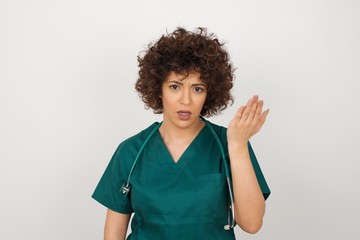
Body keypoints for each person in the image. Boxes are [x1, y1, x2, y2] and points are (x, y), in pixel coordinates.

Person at [92, 27, 271, 240]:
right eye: (175, 86)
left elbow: (251, 224)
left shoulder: (229, 145)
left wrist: (238, 145)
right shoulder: (131, 152)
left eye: (197, 89)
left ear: (209, 93)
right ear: (159, 89)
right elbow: (113, 235)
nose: (185, 100)